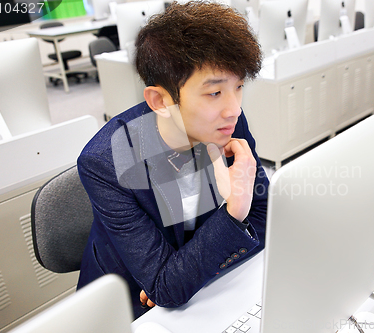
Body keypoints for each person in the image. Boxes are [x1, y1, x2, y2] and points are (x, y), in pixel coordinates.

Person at [76, 0, 269, 319]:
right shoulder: (106, 164)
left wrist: (186, 274)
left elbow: (263, 222)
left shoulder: (227, 121)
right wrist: (234, 212)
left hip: (204, 292)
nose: (234, 107)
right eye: (214, 93)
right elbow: (166, 288)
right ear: (160, 100)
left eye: (239, 87)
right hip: (125, 309)